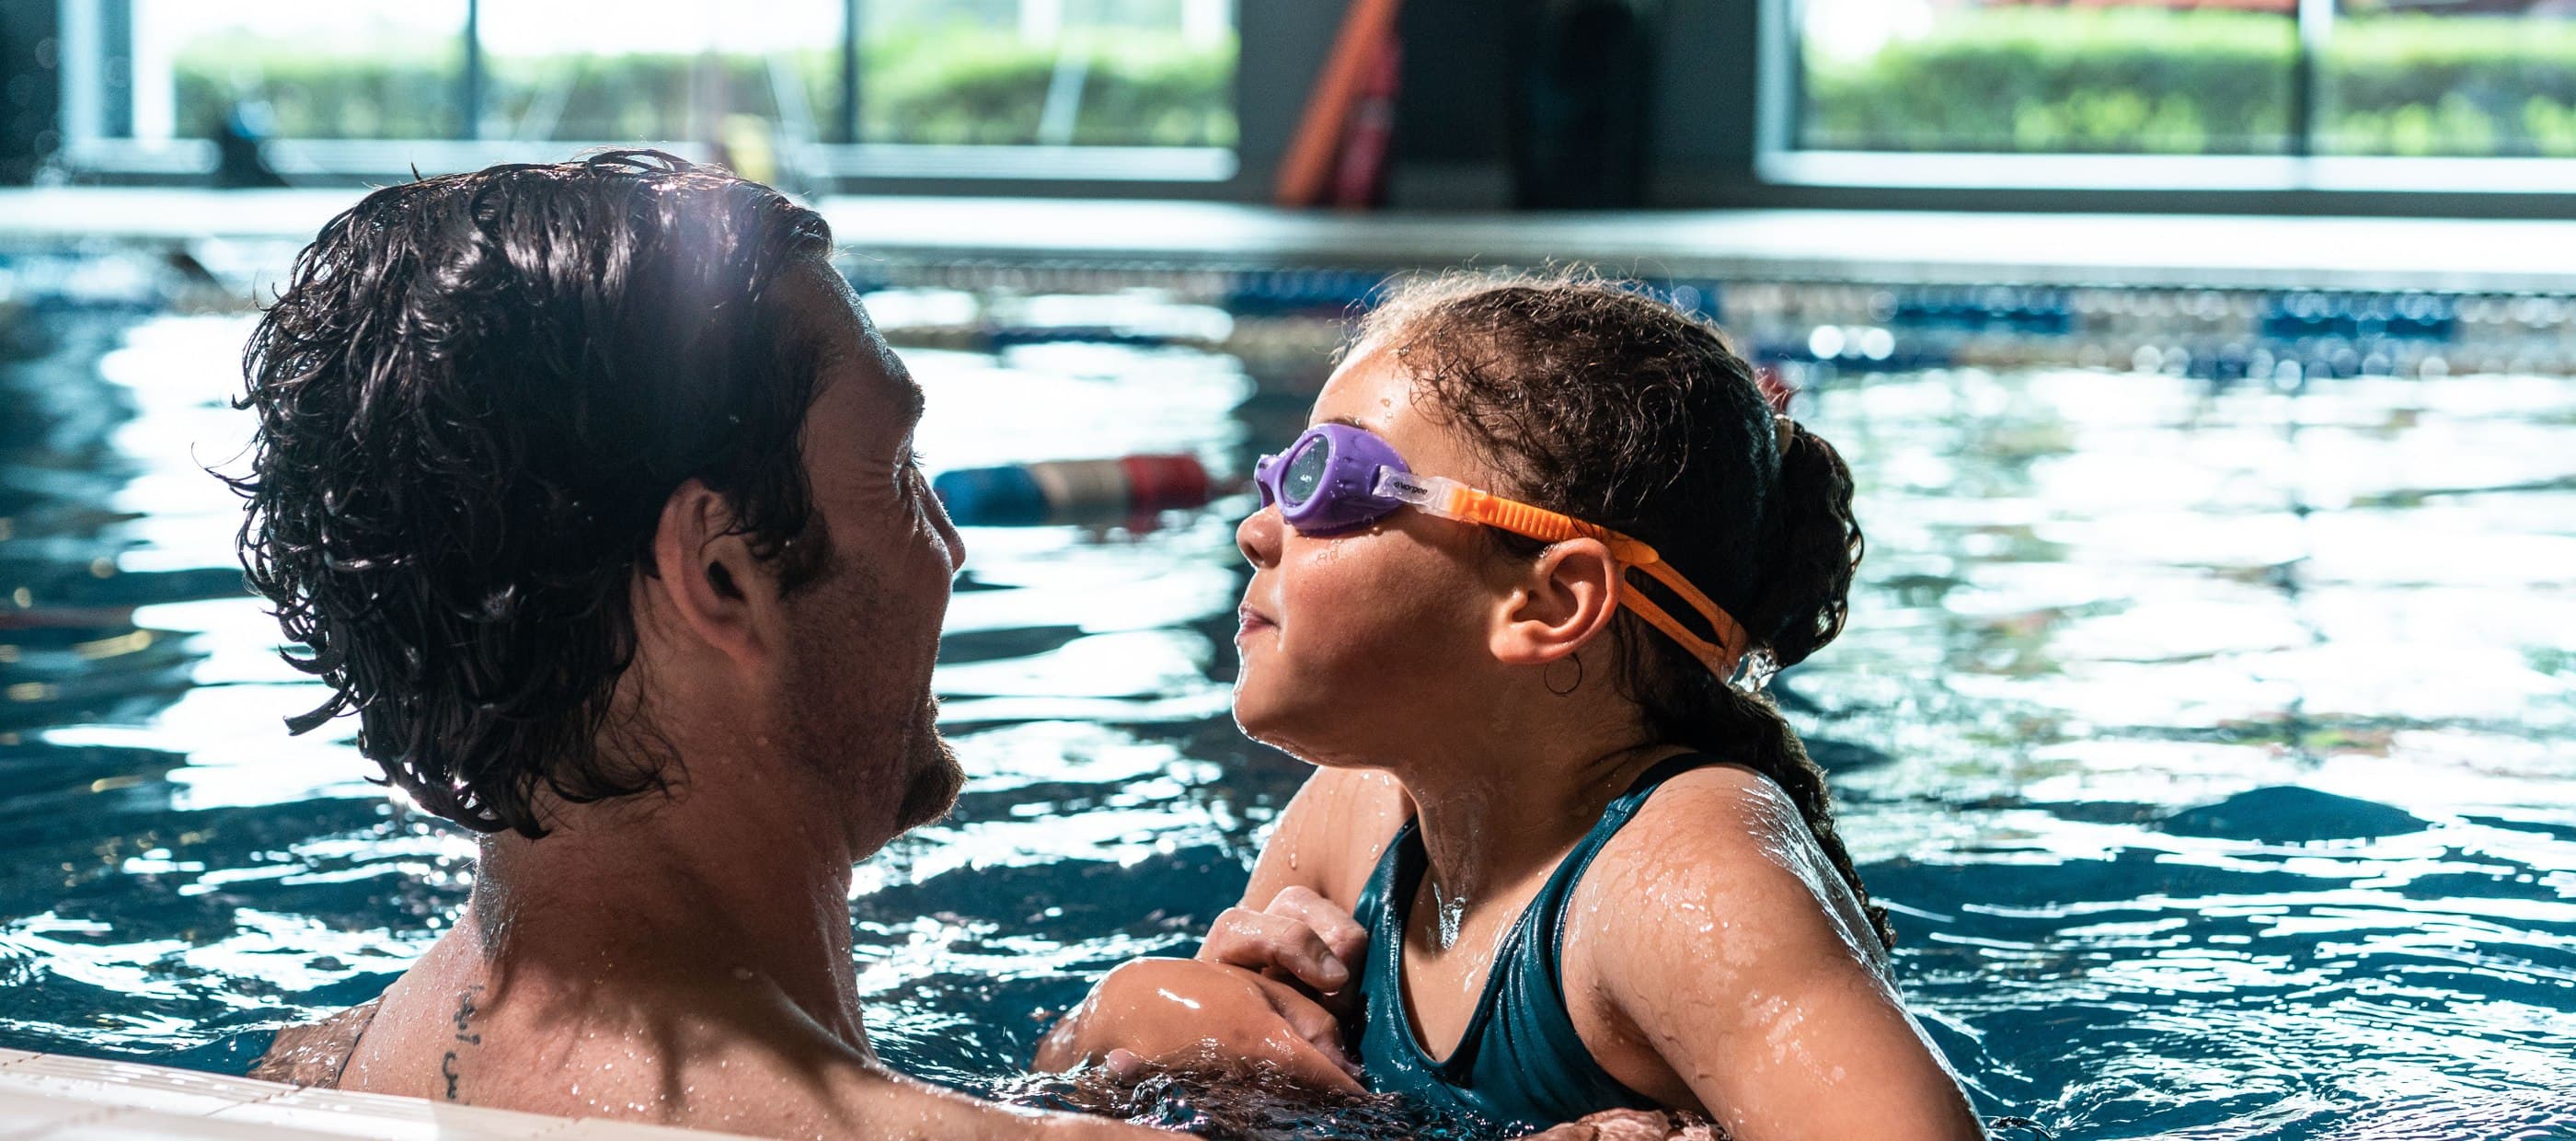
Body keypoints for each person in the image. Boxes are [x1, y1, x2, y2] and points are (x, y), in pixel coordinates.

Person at [230, 151, 1252, 1138]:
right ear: (721, 578)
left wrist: (1086, 1061)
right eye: (895, 474)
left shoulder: (325, 1065)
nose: (947, 543)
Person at [1039, 274, 1986, 1139]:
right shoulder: (1354, 815)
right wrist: (1155, 1027)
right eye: (1276, 477)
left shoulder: (1683, 875)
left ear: (1547, 601)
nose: (1255, 529)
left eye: (1327, 483)